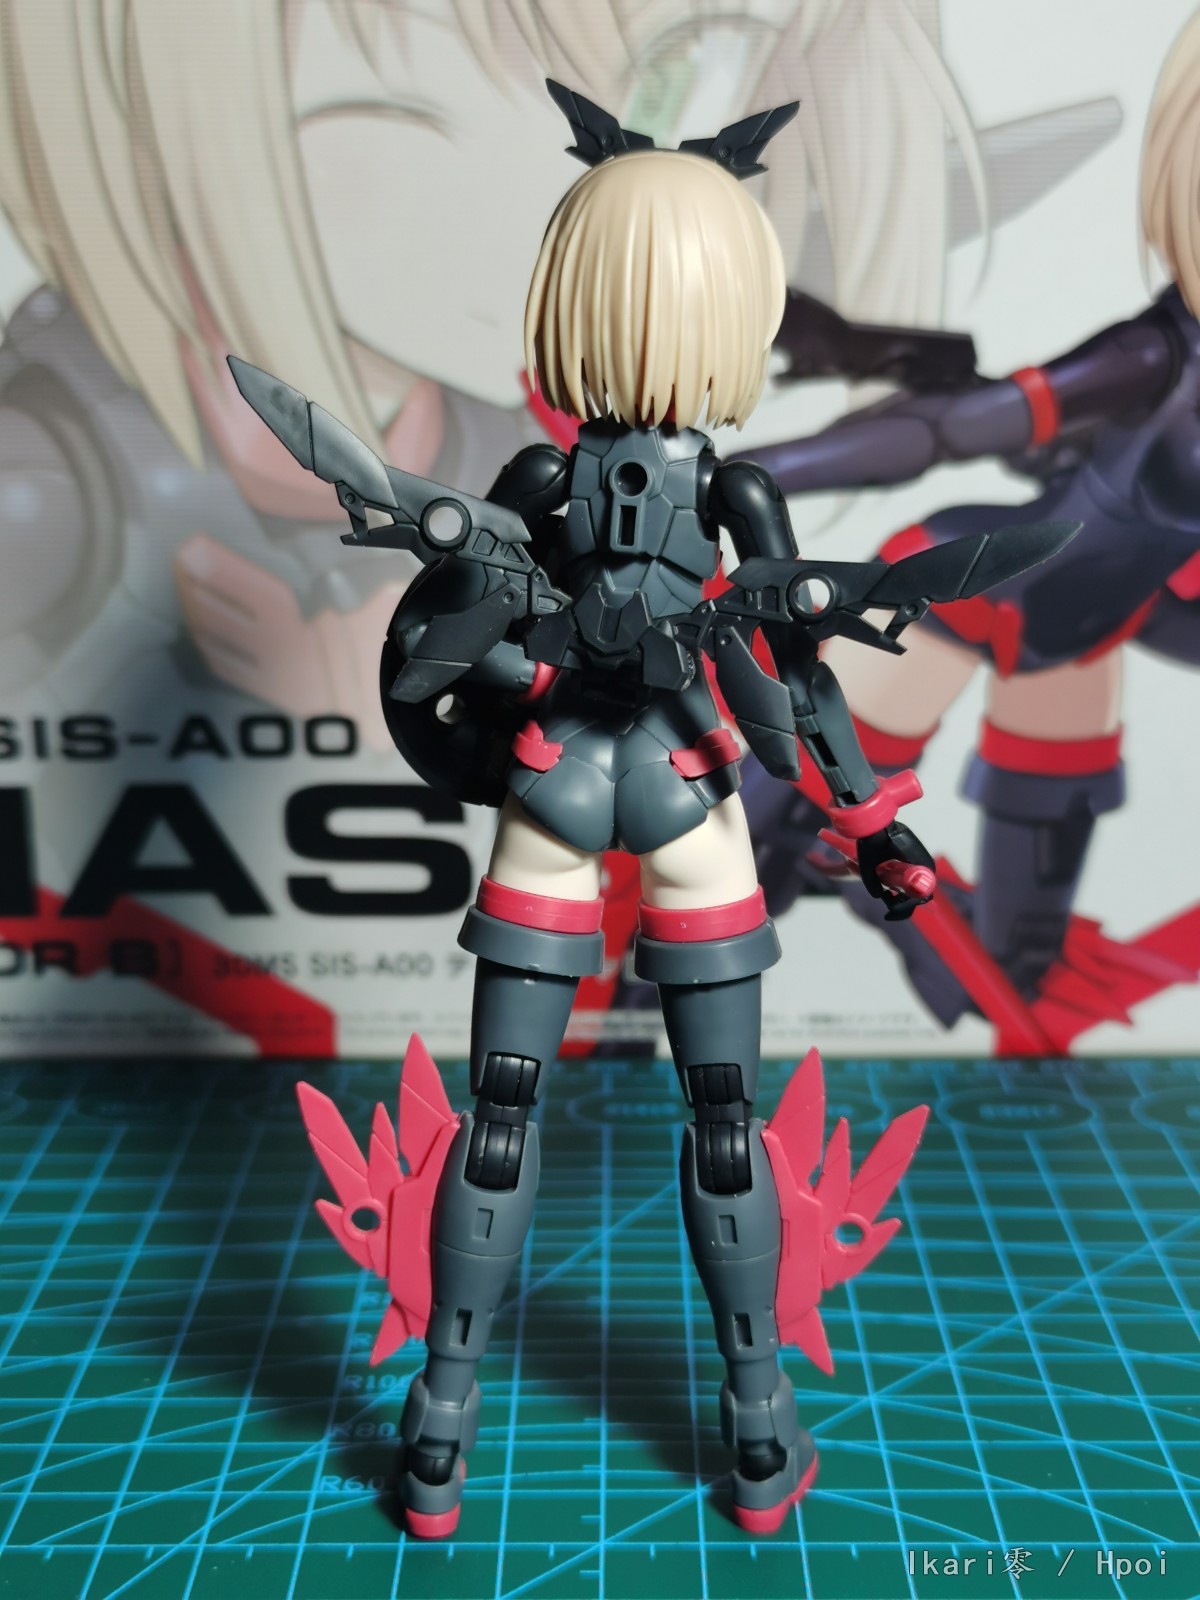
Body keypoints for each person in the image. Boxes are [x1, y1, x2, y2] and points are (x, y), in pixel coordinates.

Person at [717, 10, 1200, 1050]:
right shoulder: (1162, 355)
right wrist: (738, 476)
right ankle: (643, 1019)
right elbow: (950, 430)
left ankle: (864, 884)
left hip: (1101, 624)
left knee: (1013, 965)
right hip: (988, 588)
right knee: (753, 850)